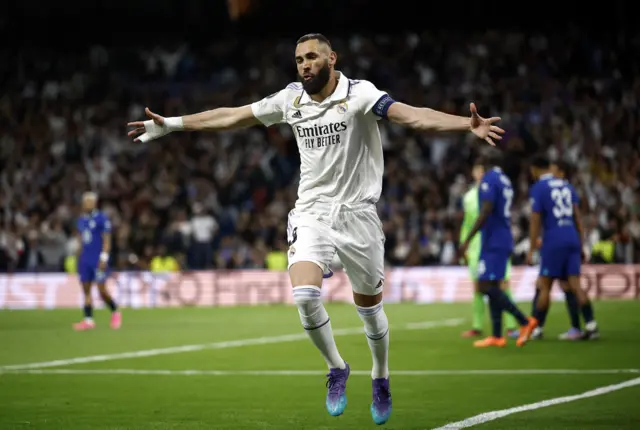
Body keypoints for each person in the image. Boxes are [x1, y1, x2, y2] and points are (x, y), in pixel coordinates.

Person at [127, 33, 503, 425]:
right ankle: (337, 368)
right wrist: (171, 124)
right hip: (312, 213)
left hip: (359, 215)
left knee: (370, 312)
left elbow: (412, 115)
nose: (304, 65)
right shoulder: (290, 100)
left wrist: (465, 124)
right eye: (298, 60)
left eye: (311, 57)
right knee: (305, 296)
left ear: (331, 59)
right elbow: (231, 115)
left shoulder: (359, 94)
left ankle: (380, 375)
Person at [457, 149, 538, 348]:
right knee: (492, 284)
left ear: (485, 163)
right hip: (502, 236)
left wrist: (467, 239)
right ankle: (496, 335)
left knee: (485, 286)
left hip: (493, 240)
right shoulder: (504, 179)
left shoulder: (489, 180)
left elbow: (486, 210)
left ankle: (524, 321)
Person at [527, 155, 599, 340]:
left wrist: (531, 248)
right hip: (572, 238)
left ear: (535, 170)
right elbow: (577, 218)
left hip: (553, 239)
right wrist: (582, 245)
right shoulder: (567, 186)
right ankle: (591, 326)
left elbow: (535, 220)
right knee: (575, 285)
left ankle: (536, 329)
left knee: (544, 286)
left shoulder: (539, 188)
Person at [459, 160, 519, 339]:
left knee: (502, 283)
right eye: (475, 169)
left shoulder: (495, 187)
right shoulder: (469, 196)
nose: (478, 172)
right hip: (476, 246)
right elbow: (467, 223)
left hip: (494, 241)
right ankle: (477, 326)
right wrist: (464, 243)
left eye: (480, 169)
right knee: (478, 286)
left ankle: (512, 326)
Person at [73, 192, 121, 331]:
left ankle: (115, 311)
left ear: (94, 203)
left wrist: (104, 257)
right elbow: (80, 240)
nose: (86, 204)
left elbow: (107, 239)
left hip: (97, 259)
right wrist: (78, 258)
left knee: (101, 290)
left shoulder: (101, 219)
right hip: (85, 259)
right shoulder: (81, 220)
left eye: (89, 201)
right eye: (85, 201)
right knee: (86, 290)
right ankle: (88, 320)